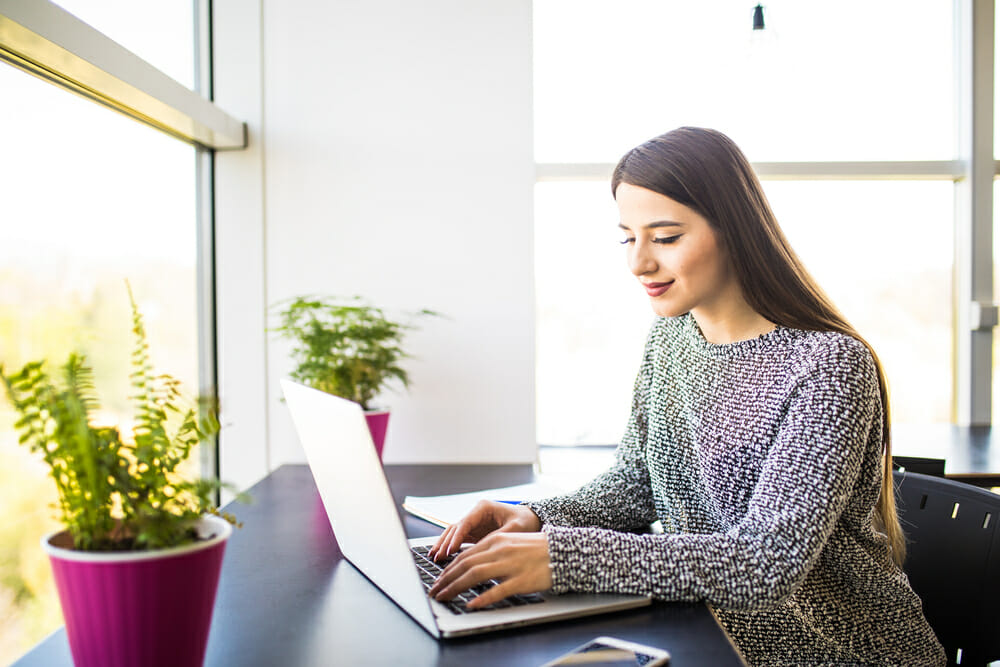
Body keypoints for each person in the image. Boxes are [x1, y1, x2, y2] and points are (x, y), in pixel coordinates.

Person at [427, 127, 945, 666]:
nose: (638, 263)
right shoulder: (672, 337)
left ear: (737, 230)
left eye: (666, 237)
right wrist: (535, 520)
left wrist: (561, 556)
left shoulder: (828, 366)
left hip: (838, 655)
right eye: (628, 237)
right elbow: (636, 485)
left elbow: (766, 563)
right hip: (711, 638)